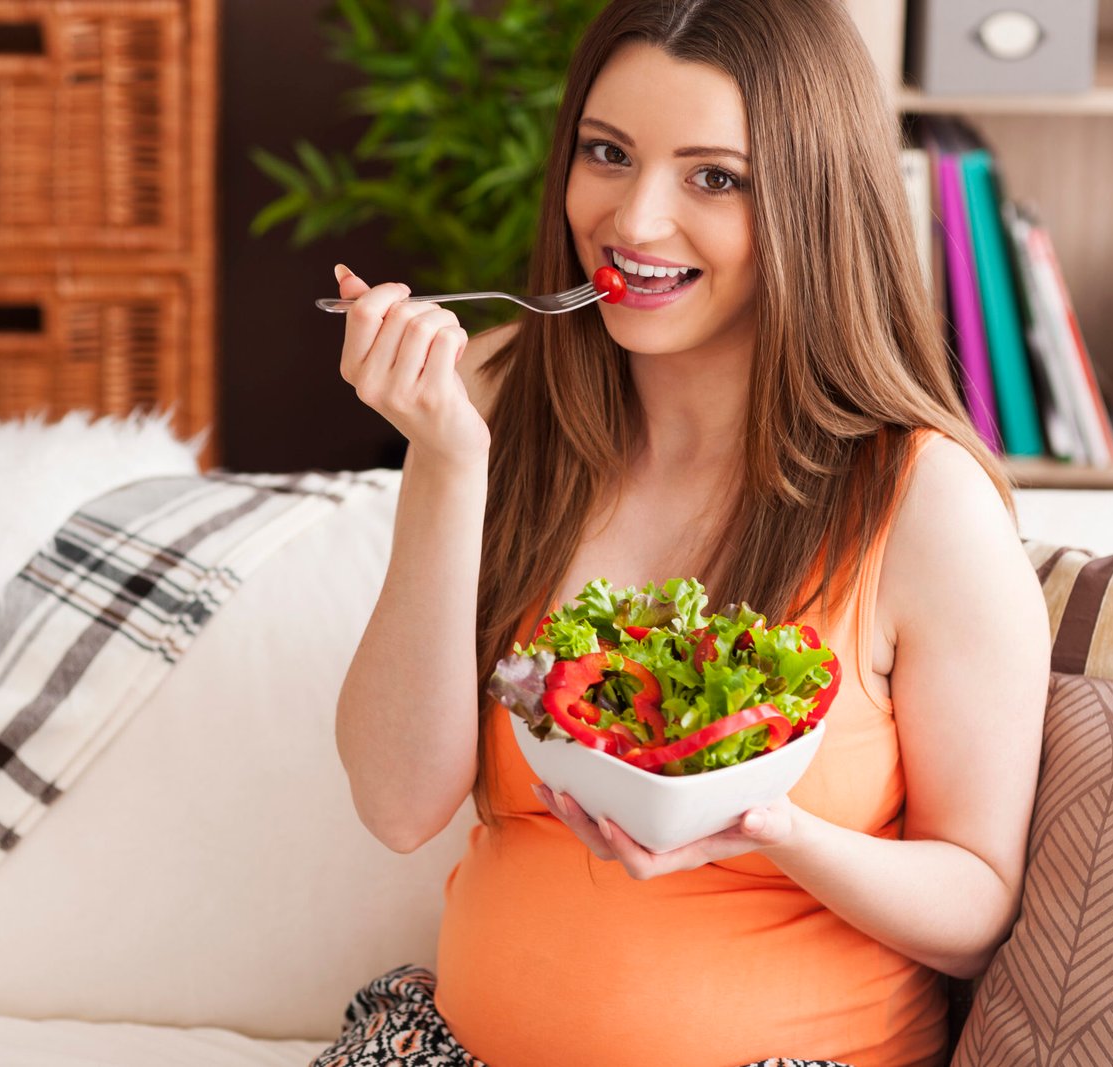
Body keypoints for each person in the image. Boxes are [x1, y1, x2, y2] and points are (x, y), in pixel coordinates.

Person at [322, 1, 1050, 1064]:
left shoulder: (922, 499)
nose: (634, 220)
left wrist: (773, 829)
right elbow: (396, 802)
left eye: (714, 177)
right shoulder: (493, 394)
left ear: (813, 205)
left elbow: (976, 902)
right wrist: (446, 460)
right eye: (606, 154)